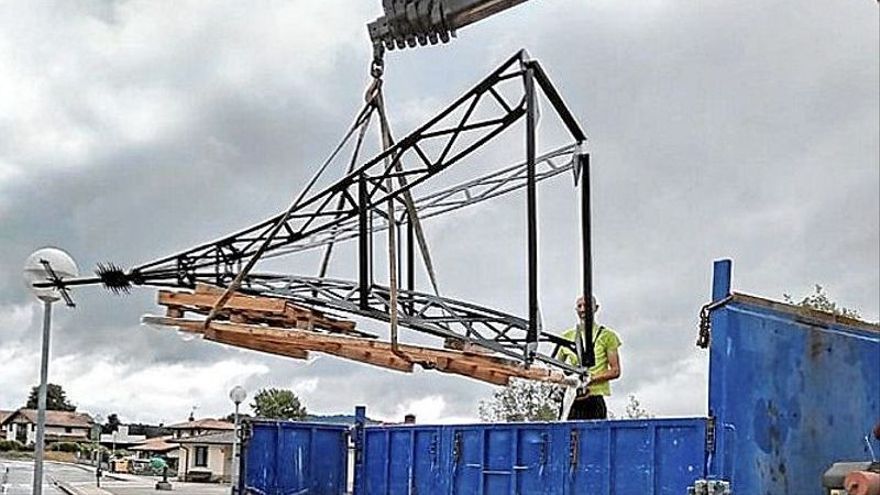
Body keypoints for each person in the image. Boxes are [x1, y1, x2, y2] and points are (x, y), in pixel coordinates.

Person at [555, 295, 622, 420]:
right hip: (572, 399)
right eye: (579, 306)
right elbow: (556, 367)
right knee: (567, 436)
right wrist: (565, 382)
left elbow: (615, 371)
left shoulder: (607, 336)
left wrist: (590, 379)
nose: (582, 309)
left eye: (586, 306)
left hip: (594, 398)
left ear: (595, 308)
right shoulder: (567, 336)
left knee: (595, 437)